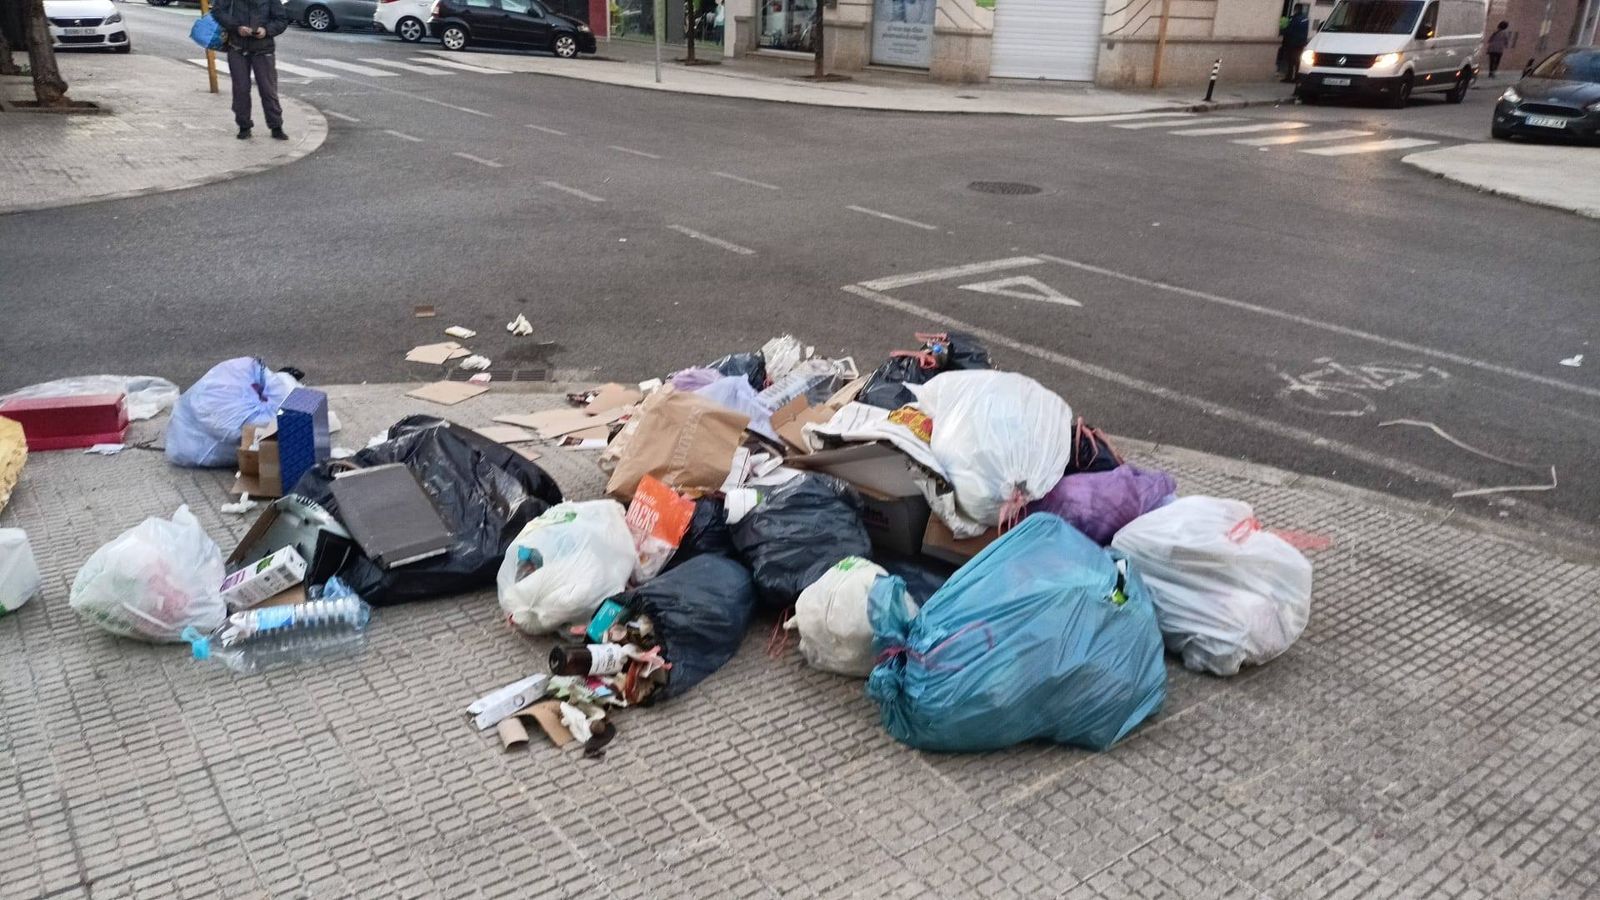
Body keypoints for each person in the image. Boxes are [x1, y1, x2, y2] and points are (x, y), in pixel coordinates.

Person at [211, 0, 289, 140]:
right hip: (237, 47)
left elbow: (281, 19)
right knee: (241, 88)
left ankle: (276, 126)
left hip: (263, 48)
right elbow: (217, 11)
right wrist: (236, 27)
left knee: (268, 89)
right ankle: (244, 126)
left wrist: (266, 30)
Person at [1279, 4, 1311, 82]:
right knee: (1297, 61)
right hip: (1301, 43)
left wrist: (1282, 31)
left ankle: (1289, 77)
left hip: (1293, 42)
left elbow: (1289, 30)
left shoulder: (1294, 19)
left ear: (1295, 9)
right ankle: (1297, 77)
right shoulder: (1305, 19)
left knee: (1291, 60)